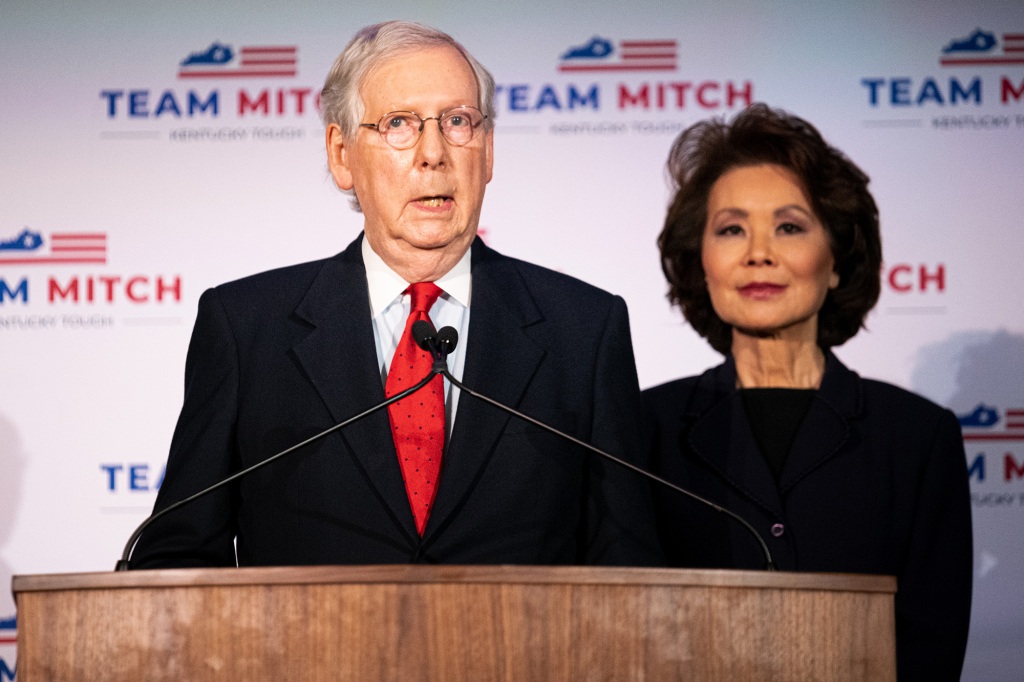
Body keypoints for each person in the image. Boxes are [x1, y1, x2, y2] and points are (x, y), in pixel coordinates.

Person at [130, 21, 661, 569]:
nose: (433, 153)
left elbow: (629, 570)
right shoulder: (246, 331)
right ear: (341, 155)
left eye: (458, 122)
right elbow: (176, 560)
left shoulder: (585, 331)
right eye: (399, 124)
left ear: (489, 151)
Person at [644, 104, 972, 680]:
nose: (759, 252)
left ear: (838, 260)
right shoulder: (645, 428)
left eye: (790, 226)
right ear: (702, 260)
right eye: (731, 229)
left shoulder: (917, 437)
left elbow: (931, 647)